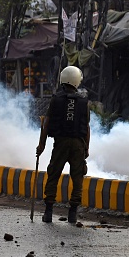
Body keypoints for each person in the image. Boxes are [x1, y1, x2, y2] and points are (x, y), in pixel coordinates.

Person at [36, 66, 90, 224]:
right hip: (78, 144)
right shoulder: (84, 102)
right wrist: (86, 147)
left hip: (60, 143)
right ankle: (73, 213)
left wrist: (42, 145)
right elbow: (86, 127)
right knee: (77, 178)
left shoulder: (56, 100)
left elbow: (46, 124)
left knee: (53, 175)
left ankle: (48, 212)